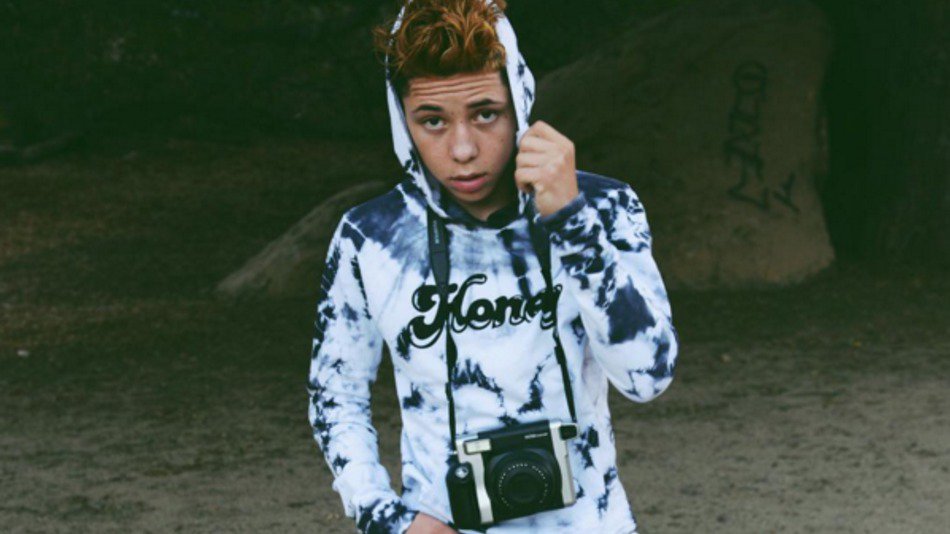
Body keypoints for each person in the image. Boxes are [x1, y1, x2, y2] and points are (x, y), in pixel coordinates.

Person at [306, 1, 679, 532]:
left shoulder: (604, 207)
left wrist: (570, 221)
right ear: (401, 120)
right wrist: (386, 518)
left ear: (519, 101)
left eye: (486, 114)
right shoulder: (371, 238)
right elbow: (335, 393)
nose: (462, 150)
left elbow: (648, 376)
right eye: (432, 121)